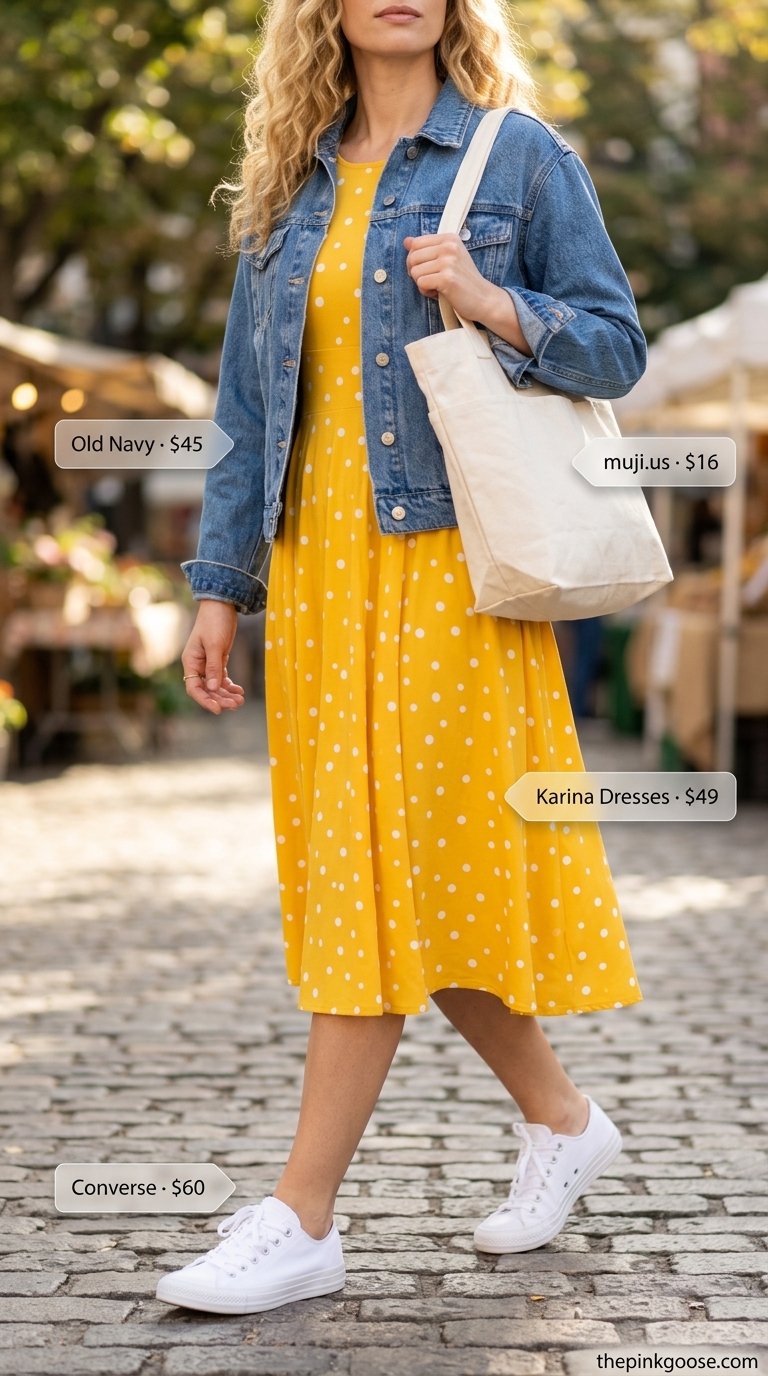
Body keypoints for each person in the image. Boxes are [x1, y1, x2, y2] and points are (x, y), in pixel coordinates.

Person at [157, 0, 646, 1317]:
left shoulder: (520, 156)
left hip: (448, 575)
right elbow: (245, 410)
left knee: (385, 876)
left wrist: (491, 302)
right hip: (322, 578)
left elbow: (615, 343)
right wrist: (220, 590)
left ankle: (300, 1214)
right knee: (401, 878)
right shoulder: (286, 189)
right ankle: (563, 1121)